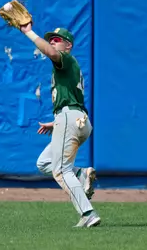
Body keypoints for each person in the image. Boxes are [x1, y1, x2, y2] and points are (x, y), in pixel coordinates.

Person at [20, 22, 101, 228]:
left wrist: (28, 32)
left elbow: (50, 53)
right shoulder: (69, 67)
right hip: (75, 120)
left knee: (61, 171)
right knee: (45, 163)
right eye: (51, 40)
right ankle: (81, 174)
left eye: (58, 40)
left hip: (70, 118)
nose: (53, 43)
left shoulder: (64, 59)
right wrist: (56, 123)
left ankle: (88, 213)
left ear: (68, 46)